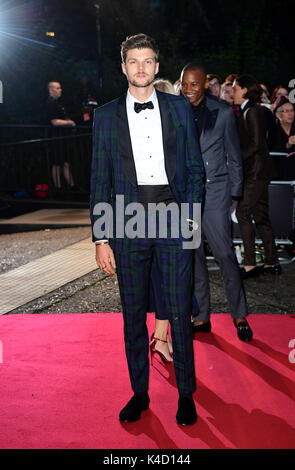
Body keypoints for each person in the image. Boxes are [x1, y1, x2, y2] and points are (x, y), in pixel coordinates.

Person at [90, 34, 204, 425]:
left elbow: (194, 169)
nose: (141, 68)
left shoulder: (178, 108)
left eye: (148, 61)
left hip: (174, 218)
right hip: (127, 223)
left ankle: (186, 392)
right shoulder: (105, 115)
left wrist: (191, 217)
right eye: (133, 61)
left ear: (157, 67)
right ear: (123, 68)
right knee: (133, 314)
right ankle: (140, 392)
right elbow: (99, 178)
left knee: (178, 309)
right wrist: (101, 237)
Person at [180, 63, 252, 342]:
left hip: (215, 192)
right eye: (184, 83)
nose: (188, 90)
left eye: (194, 84)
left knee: (224, 254)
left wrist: (234, 192)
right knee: (193, 256)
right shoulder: (174, 111)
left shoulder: (222, 113)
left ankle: (239, 314)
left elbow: (234, 155)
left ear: (205, 85)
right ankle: (201, 317)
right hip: (186, 196)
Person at [233, 75, 281, 277]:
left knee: (243, 213)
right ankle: (272, 262)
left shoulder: (252, 111)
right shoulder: (248, 110)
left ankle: (250, 263)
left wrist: (236, 159)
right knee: (261, 217)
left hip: (256, 172)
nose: (232, 92)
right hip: (258, 171)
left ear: (244, 90)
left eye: (235, 89)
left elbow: (256, 143)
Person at [46, 81, 76, 190]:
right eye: (58, 88)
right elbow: (54, 121)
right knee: (57, 164)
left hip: (61, 138)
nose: (60, 90)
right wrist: (69, 123)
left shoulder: (57, 103)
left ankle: (72, 188)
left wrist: (66, 121)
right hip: (56, 139)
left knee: (65, 163)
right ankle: (58, 190)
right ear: (51, 90)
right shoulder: (50, 103)